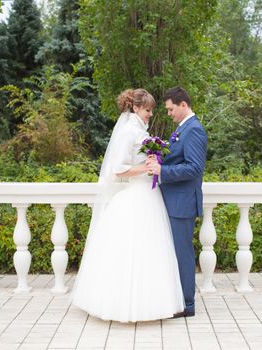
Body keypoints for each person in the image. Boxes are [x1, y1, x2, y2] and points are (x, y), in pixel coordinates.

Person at [71, 88, 184, 323]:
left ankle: (151, 303)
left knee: (150, 251)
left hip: (149, 196)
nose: (150, 115)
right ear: (135, 108)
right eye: (147, 110)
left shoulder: (140, 132)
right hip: (135, 195)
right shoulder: (128, 132)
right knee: (130, 250)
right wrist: (147, 167)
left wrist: (154, 159)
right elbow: (118, 169)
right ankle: (122, 304)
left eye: (151, 111)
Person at [147, 87, 207, 318]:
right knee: (173, 253)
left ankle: (187, 304)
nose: (169, 113)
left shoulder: (194, 130)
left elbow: (194, 168)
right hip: (173, 201)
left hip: (182, 204)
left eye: (171, 109)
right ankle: (176, 299)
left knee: (182, 253)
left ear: (183, 105)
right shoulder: (183, 129)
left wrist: (162, 170)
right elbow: (178, 157)